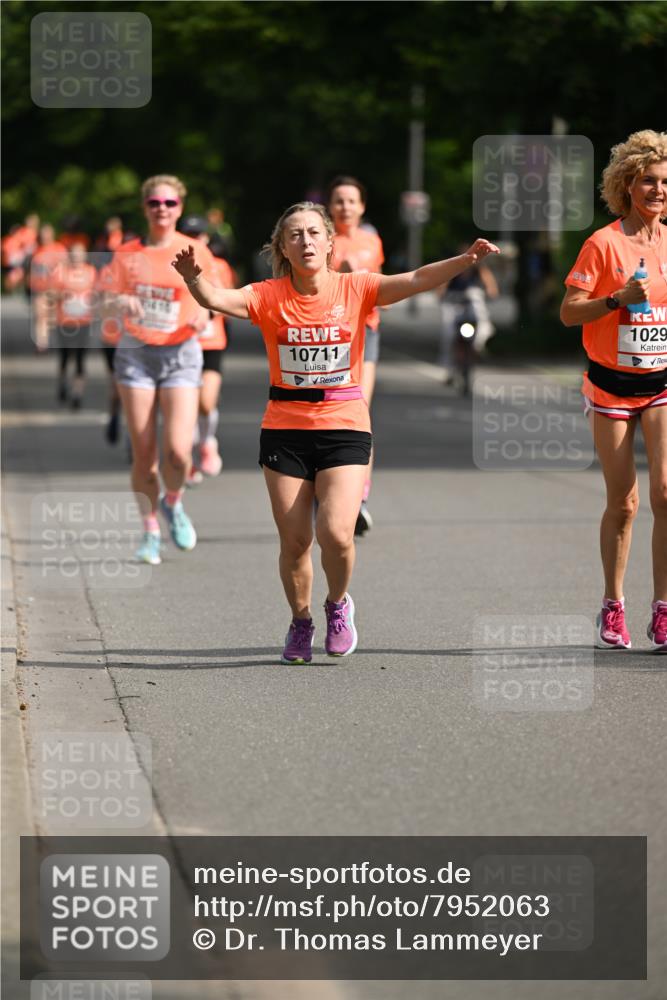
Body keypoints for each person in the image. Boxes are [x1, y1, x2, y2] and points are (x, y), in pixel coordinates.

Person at [172, 200, 499, 663]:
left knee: (337, 534)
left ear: (329, 243)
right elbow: (216, 300)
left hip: (344, 424)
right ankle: (301, 621)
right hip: (285, 428)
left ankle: (338, 605)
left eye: (313, 233)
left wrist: (465, 261)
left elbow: (414, 280)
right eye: (294, 235)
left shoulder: (356, 288)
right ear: (283, 248)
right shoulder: (268, 295)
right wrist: (193, 277)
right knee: (295, 542)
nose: (305, 241)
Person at [561, 129, 667, 653]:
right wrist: (616, 299)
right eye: (649, 181)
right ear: (627, 185)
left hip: (662, 383)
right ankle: (613, 604)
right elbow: (567, 311)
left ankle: (663, 610)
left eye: (665, 183)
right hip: (611, 388)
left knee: (666, 494)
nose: (658, 191)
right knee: (624, 502)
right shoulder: (603, 244)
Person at [107, 174, 218, 564]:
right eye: (155, 203)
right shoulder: (126, 253)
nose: (162, 209)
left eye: (170, 203)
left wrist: (205, 316)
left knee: (176, 452)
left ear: (180, 208)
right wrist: (121, 304)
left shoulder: (196, 250)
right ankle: (150, 529)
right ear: (145, 207)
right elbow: (106, 300)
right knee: (144, 453)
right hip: (136, 354)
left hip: (181, 354)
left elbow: (212, 296)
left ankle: (174, 502)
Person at [327, 176, 384, 535]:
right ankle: (328, 488)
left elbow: (378, 284)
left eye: (351, 201)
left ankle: (359, 498)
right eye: (339, 200)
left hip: (366, 332)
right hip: (328, 336)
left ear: (362, 206)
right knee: (325, 411)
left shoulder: (371, 240)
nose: (345, 206)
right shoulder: (319, 238)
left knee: (359, 410)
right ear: (329, 206)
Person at [178, 216, 235, 483]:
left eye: (199, 235)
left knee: (206, 402)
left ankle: (206, 441)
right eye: (189, 235)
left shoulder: (219, 266)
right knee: (185, 405)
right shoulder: (174, 265)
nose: (196, 240)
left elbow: (229, 301)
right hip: (182, 342)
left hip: (212, 342)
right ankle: (187, 460)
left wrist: (209, 312)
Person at [438, 243, 499, 383]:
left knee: (483, 323)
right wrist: (441, 294)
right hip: (453, 302)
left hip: (472, 302)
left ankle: (478, 345)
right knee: (448, 332)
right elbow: (443, 283)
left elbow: (490, 284)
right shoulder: (453, 268)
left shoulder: (479, 268)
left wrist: (491, 292)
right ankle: (449, 369)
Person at [28, 224, 68, 351]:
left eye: (48, 233)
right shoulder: (36, 251)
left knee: (55, 317)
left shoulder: (59, 248)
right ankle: (42, 344)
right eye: (44, 234)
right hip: (40, 289)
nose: (46, 236)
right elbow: (33, 270)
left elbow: (65, 267)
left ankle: (61, 342)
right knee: (41, 316)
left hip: (57, 289)